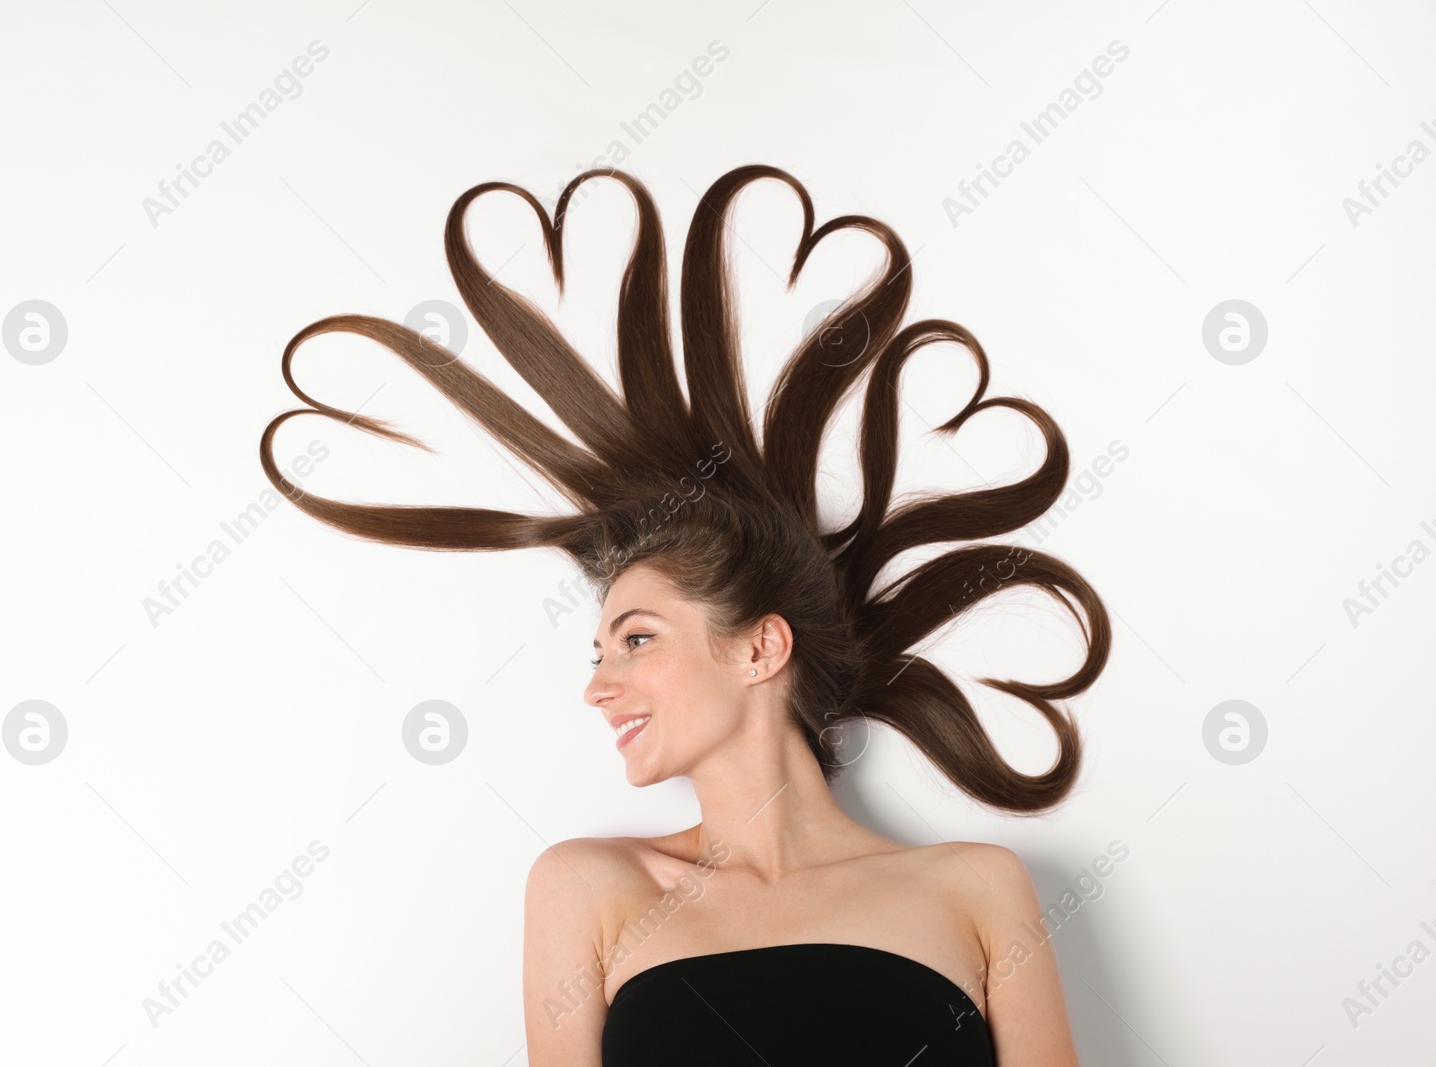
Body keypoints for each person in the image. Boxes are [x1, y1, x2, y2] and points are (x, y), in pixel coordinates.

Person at [259, 163, 1110, 1065]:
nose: (597, 687)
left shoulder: (977, 888)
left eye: (635, 639)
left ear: (759, 648)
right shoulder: (591, 887)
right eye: (598, 652)